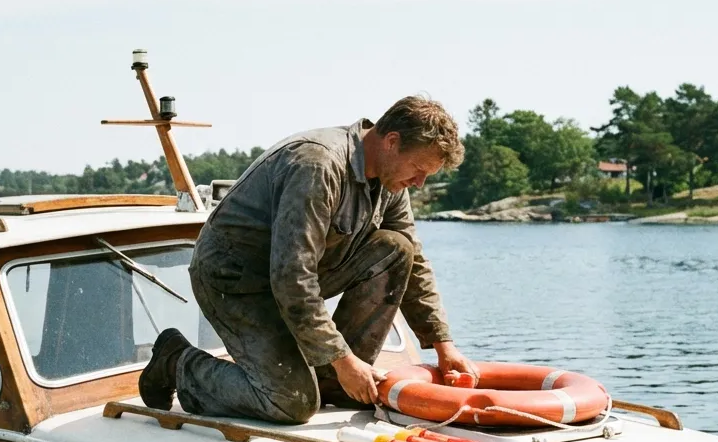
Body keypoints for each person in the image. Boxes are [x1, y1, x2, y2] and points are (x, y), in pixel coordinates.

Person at [138, 96, 478, 424]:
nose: (420, 184)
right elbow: (292, 278)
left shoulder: (390, 181)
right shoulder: (318, 165)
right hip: (234, 280)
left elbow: (414, 260)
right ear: (391, 141)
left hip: (292, 277)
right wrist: (344, 359)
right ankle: (176, 360)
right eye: (419, 170)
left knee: (397, 248)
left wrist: (442, 344)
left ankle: (333, 379)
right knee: (291, 403)